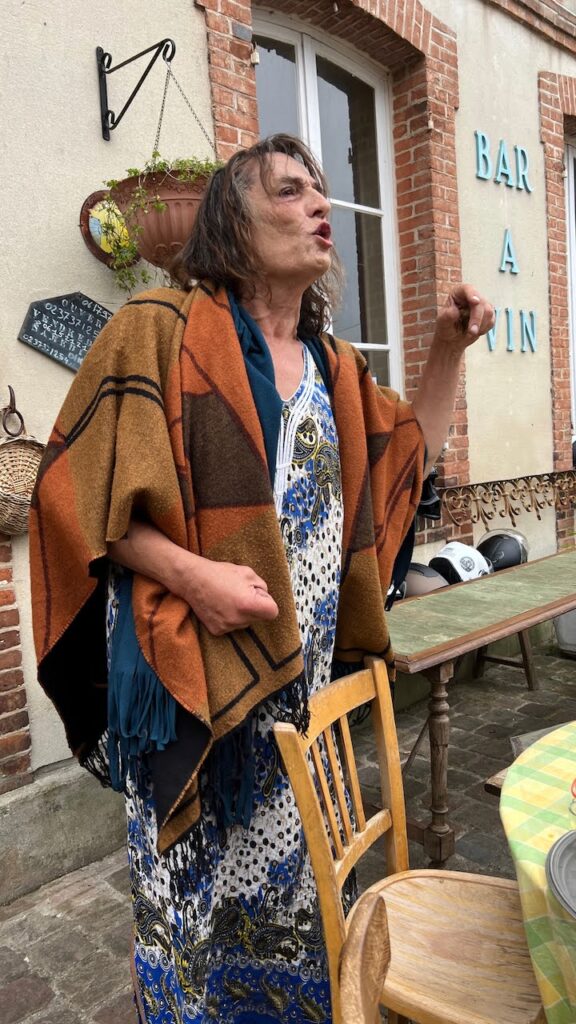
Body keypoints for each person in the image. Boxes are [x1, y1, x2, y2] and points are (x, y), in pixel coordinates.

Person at [30, 134, 494, 1023]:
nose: (320, 204)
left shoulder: (335, 369)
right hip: (188, 690)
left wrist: (446, 347)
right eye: (289, 191)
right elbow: (76, 495)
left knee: (292, 916)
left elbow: (410, 460)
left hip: (293, 701)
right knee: (188, 922)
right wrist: (194, 577)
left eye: (321, 190)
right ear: (230, 221)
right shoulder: (156, 332)